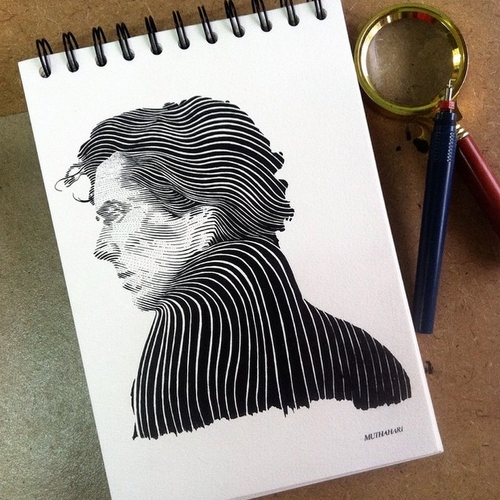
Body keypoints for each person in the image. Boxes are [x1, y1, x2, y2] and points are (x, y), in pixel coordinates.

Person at [62, 96, 411, 439]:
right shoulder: (361, 356)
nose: (101, 248)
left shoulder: (178, 374)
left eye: (116, 215)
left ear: (203, 217)